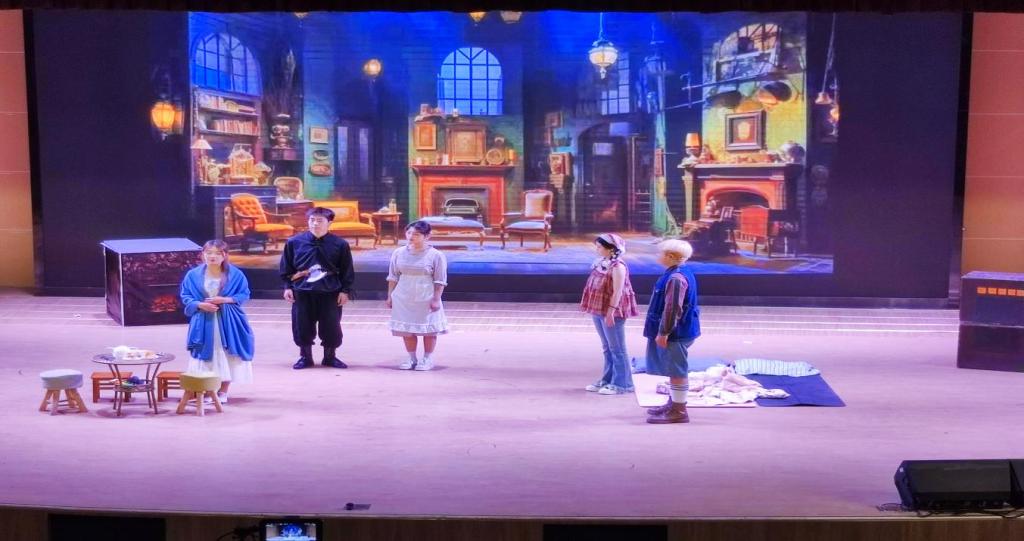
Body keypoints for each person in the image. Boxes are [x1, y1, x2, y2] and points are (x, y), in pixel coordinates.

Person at [180, 240, 255, 404]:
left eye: (217, 253)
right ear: (203, 254)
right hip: (204, 320)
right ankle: (208, 390)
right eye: (208, 253)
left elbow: (244, 294)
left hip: (228, 320)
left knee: (227, 353)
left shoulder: (235, 274)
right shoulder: (193, 275)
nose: (212, 256)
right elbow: (186, 296)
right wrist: (200, 305)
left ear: (224, 255)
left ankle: (223, 392)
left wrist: (225, 299)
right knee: (206, 353)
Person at [280, 207, 355, 369]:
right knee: (301, 324)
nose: (315, 224)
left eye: (320, 220)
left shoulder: (340, 244)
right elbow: (287, 267)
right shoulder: (294, 242)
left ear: (329, 223)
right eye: (312, 220)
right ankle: (305, 357)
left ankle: (330, 356)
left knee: (331, 324)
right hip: (302, 290)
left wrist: (345, 291)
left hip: (330, 290)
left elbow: (347, 269)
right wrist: (287, 287)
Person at [643, 239, 701, 424]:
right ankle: (673, 403)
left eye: (660, 253)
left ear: (670, 256)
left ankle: (679, 411)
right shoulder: (677, 273)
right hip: (679, 331)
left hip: (676, 333)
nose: (658, 256)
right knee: (673, 369)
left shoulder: (676, 278)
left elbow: (672, 309)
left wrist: (664, 332)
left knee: (677, 371)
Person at [579, 233, 639, 395]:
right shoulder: (601, 263)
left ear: (611, 249)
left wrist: (611, 312)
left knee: (617, 348)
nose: (597, 249)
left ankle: (623, 384)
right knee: (607, 347)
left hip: (611, 310)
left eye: (600, 247)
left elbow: (618, 291)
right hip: (598, 308)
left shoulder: (618, 267)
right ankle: (607, 379)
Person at [386, 220, 449, 371]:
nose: (411, 236)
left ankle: (427, 358)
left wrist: (436, 299)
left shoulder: (436, 255)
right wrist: (390, 296)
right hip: (403, 295)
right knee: (407, 329)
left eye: (416, 234)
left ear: (427, 236)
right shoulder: (398, 253)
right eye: (409, 233)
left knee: (428, 330)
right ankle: (411, 357)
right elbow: (393, 276)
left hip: (426, 294)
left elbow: (440, 280)